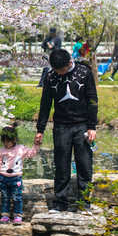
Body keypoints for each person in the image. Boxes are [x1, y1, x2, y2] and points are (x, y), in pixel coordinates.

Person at [34, 47, 98, 213]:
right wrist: (40, 129)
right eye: (56, 70)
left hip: (82, 125)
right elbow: (45, 104)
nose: (59, 73)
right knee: (61, 165)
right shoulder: (50, 76)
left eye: (61, 70)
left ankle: (84, 203)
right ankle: (60, 202)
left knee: (84, 165)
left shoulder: (84, 73)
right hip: (61, 126)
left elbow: (92, 100)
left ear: (70, 62)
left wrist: (92, 127)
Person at [0, 123, 40, 225]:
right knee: (5, 197)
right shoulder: (2, 151)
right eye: (3, 141)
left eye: (8, 142)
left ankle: (17, 215)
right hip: (3, 178)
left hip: (16, 178)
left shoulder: (20, 148)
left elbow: (31, 153)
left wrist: (36, 145)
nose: (5, 144)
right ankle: (5, 215)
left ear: (14, 140)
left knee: (16, 197)